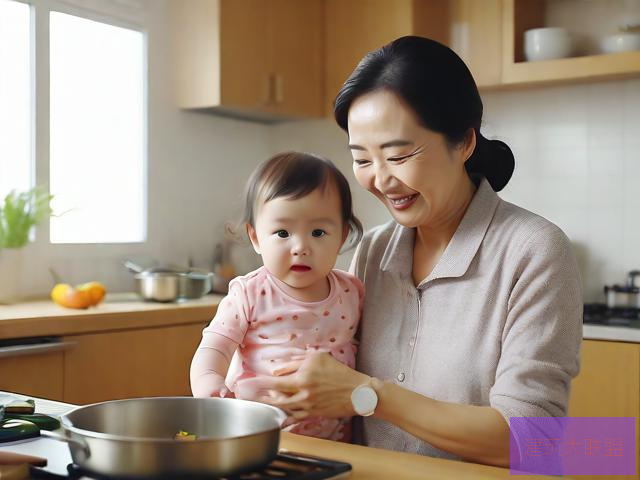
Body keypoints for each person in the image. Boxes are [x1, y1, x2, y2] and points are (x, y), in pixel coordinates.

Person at [255, 36, 582, 467]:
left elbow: (536, 440)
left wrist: (365, 394)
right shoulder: (372, 250)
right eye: (363, 159)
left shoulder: (535, 250)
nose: (381, 180)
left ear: (464, 142)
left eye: (399, 154)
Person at [190, 152, 364, 442]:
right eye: (283, 232)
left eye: (318, 232)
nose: (300, 247)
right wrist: (210, 385)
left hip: (335, 438)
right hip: (257, 436)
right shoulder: (249, 293)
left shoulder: (352, 292)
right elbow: (216, 347)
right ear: (256, 237)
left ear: (342, 237)